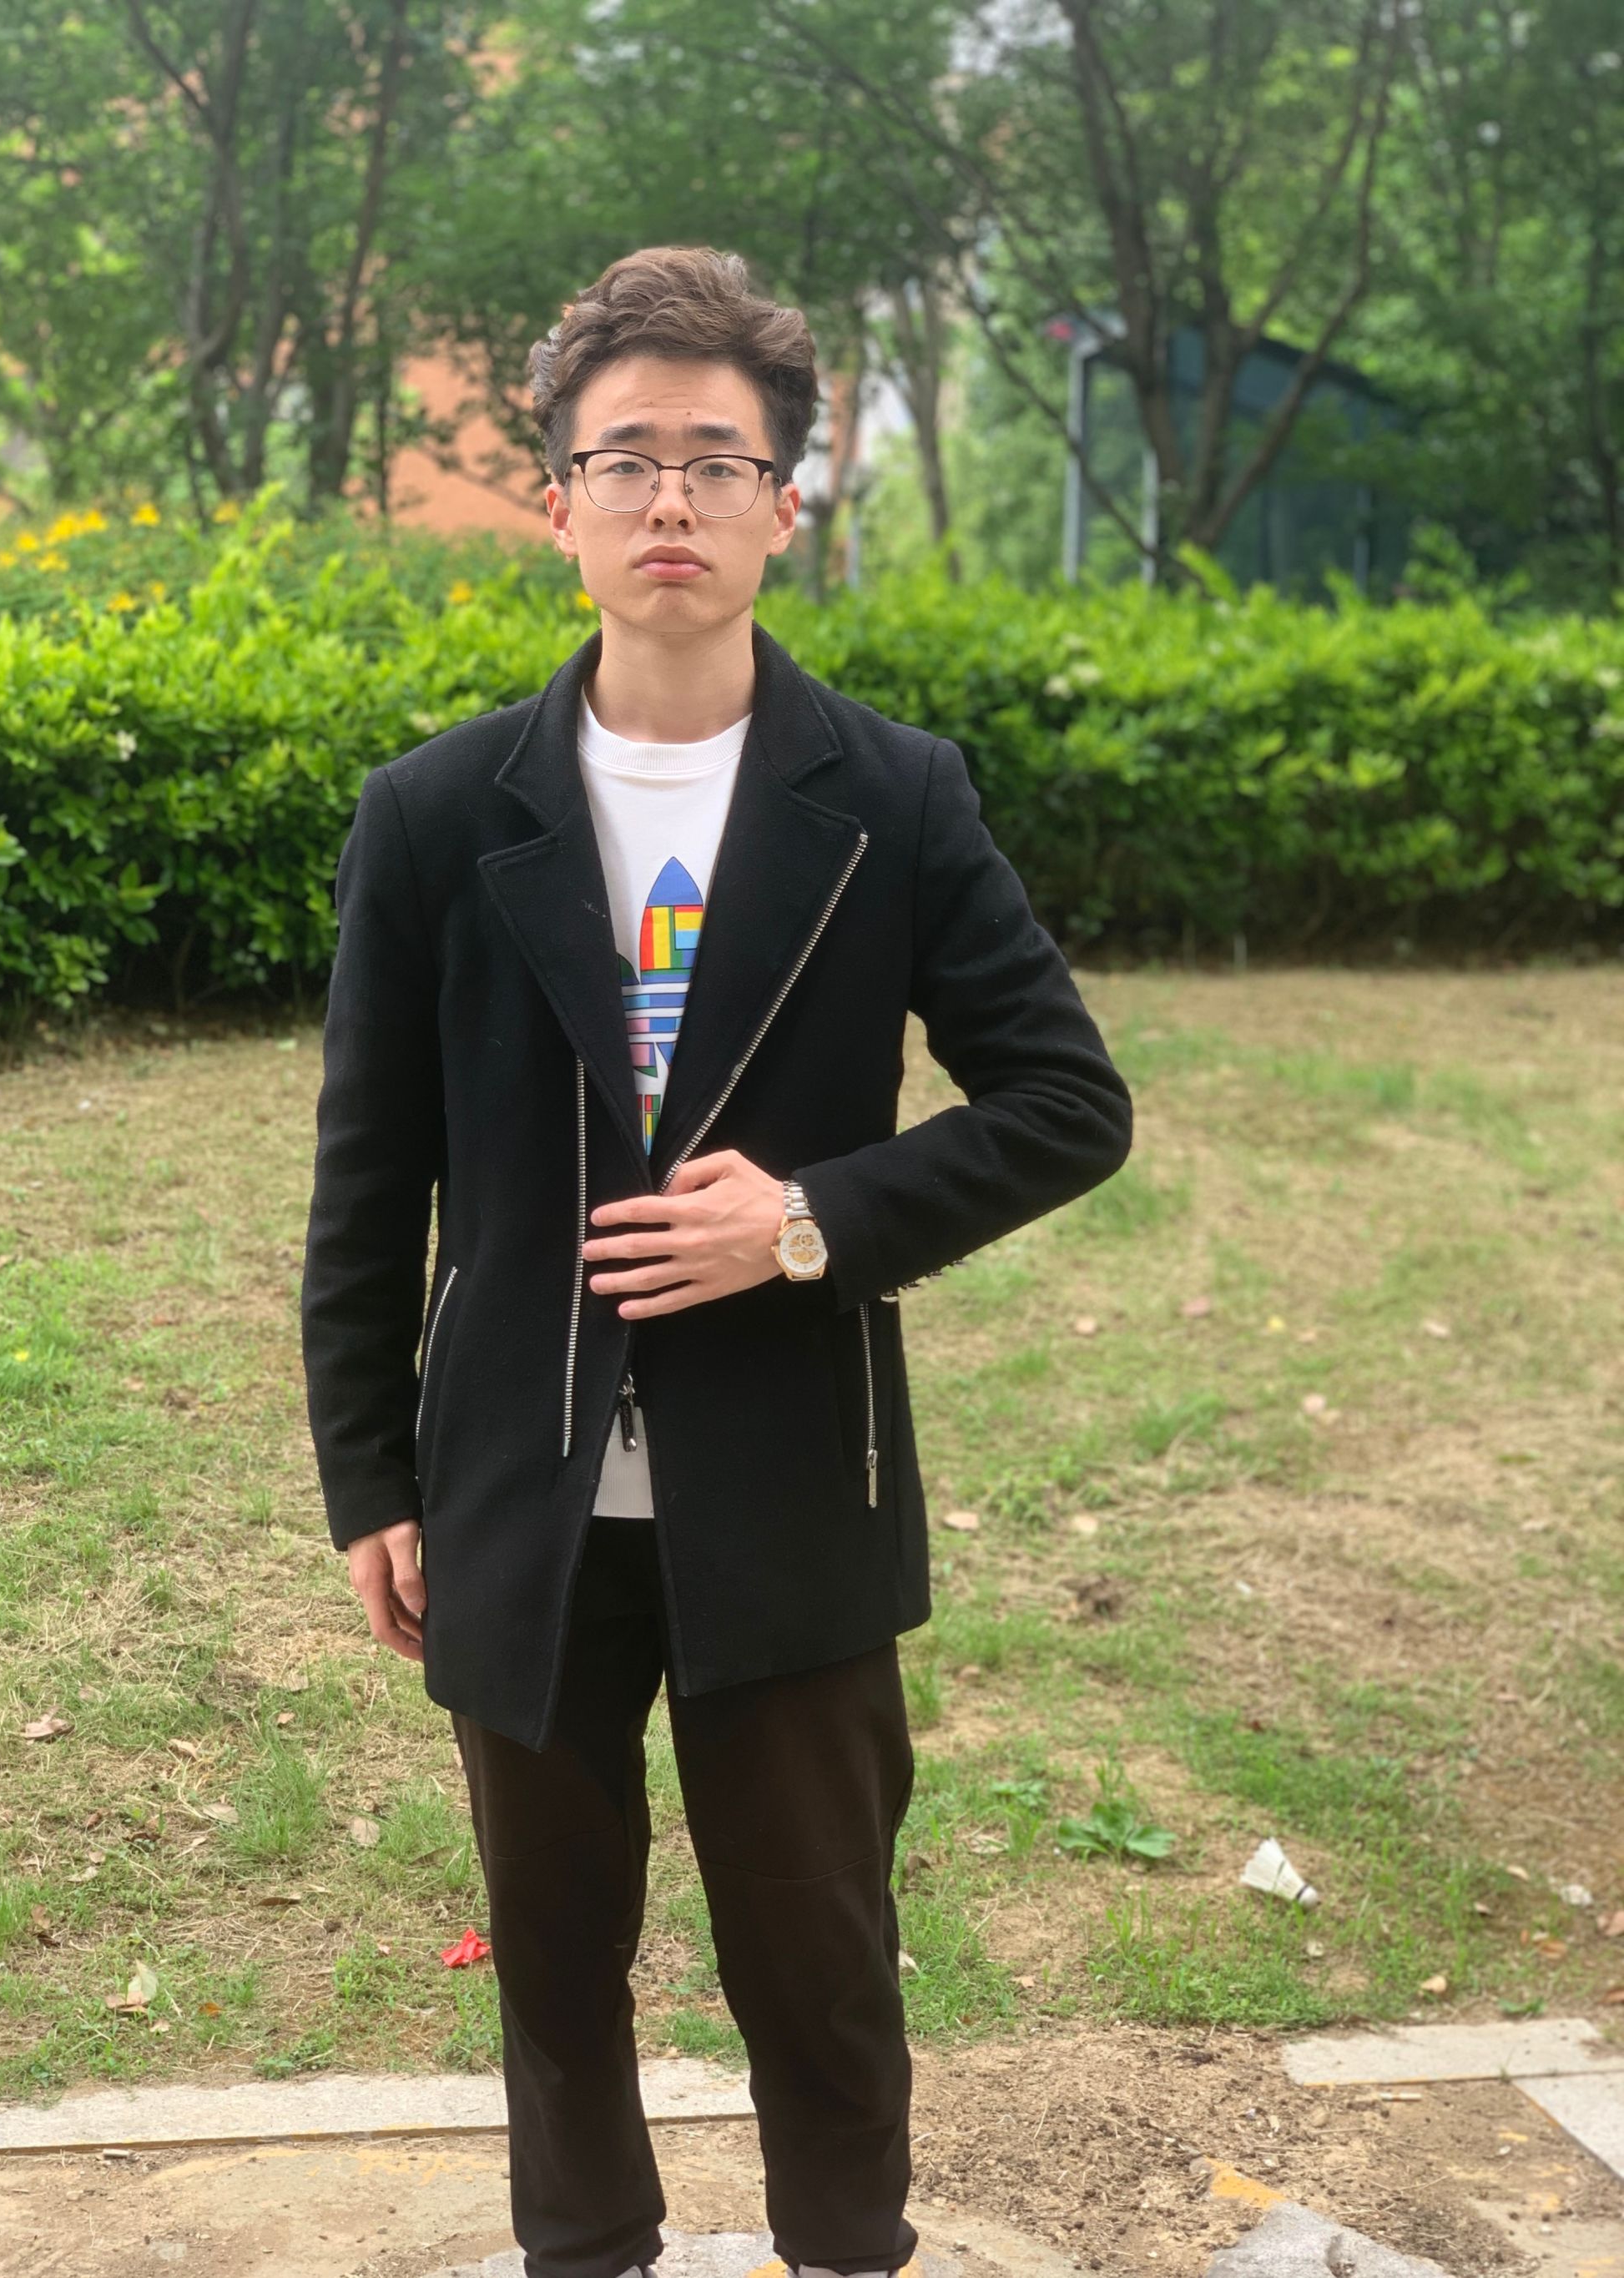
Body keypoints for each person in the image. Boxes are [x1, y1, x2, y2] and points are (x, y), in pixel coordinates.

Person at [300, 244, 1132, 2278]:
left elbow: (1064, 1103)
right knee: (553, 1959)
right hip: (516, 1494)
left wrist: (809, 1221)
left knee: (819, 1953)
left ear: (785, 504)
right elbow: (367, 1180)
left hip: (794, 1479)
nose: (668, 499)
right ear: (559, 502)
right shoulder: (434, 817)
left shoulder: (893, 799)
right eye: (625, 459)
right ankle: (584, 2253)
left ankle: (846, 2250)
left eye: (715, 460)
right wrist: (369, 1483)